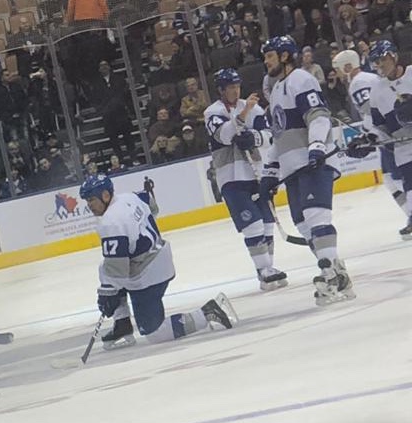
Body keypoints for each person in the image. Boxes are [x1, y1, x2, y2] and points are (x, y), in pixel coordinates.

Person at [80, 173, 236, 350]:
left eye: (91, 200)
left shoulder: (110, 223)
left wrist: (107, 297)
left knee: (155, 333)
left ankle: (207, 313)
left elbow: (118, 270)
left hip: (148, 273)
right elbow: (151, 205)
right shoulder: (130, 197)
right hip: (159, 254)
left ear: (105, 195)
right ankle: (122, 324)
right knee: (105, 268)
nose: (89, 205)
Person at [258, 35, 355, 305]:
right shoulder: (276, 90)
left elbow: (318, 116)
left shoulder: (301, 79)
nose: (266, 61)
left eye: (270, 56)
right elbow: (279, 135)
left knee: (316, 216)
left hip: (313, 162)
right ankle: (337, 273)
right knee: (303, 224)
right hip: (294, 169)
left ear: (285, 56)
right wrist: (269, 172)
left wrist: (316, 146)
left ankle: (329, 275)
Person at [203, 69, 288, 290]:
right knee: (253, 224)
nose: (236, 90)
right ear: (221, 90)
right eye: (231, 87)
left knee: (267, 224)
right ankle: (264, 270)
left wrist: (254, 137)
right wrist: (243, 115)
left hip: (257, 173)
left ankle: (268, 269)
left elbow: (270, 135)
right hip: (231, 177)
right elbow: (224, 135)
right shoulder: (212, 112)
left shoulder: (253, 108)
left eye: (237, 86)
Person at [340, 46, 412, 237]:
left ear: (393, 57)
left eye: (383, 60)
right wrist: (368, 139)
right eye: (376, 63)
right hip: (405, 150)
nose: (380, 66)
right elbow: (379, 126)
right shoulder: (377, 91)